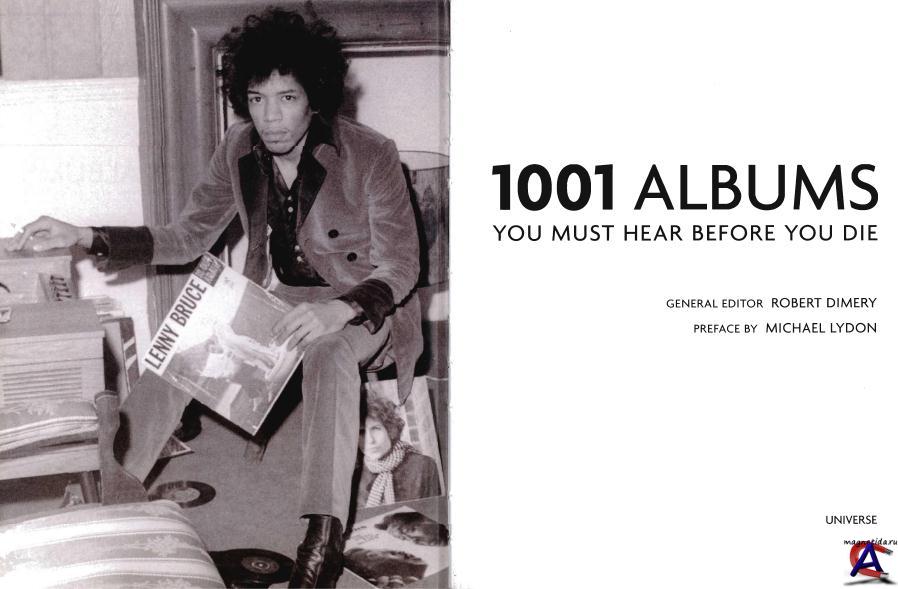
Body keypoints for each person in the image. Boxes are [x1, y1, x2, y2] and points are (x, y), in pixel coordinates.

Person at [6, 8, 422, 588]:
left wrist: (339, 309)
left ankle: (321, 543)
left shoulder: (369, 152)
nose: (270, 117)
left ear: (315, 97)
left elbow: (402, 265)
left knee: (329, 354)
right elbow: (185, 238)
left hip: (364, 304)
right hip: (284, 297)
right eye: (256, 99)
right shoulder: (239, 148)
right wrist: (85, 234)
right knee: (183, 348)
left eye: (287, 98)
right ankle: (113, 498)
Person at [356, 397, 440, 508]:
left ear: (390, 430)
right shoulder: (356, 479)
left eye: (376, 429)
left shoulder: (423, 466)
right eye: (361, 432)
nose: (370, 440)